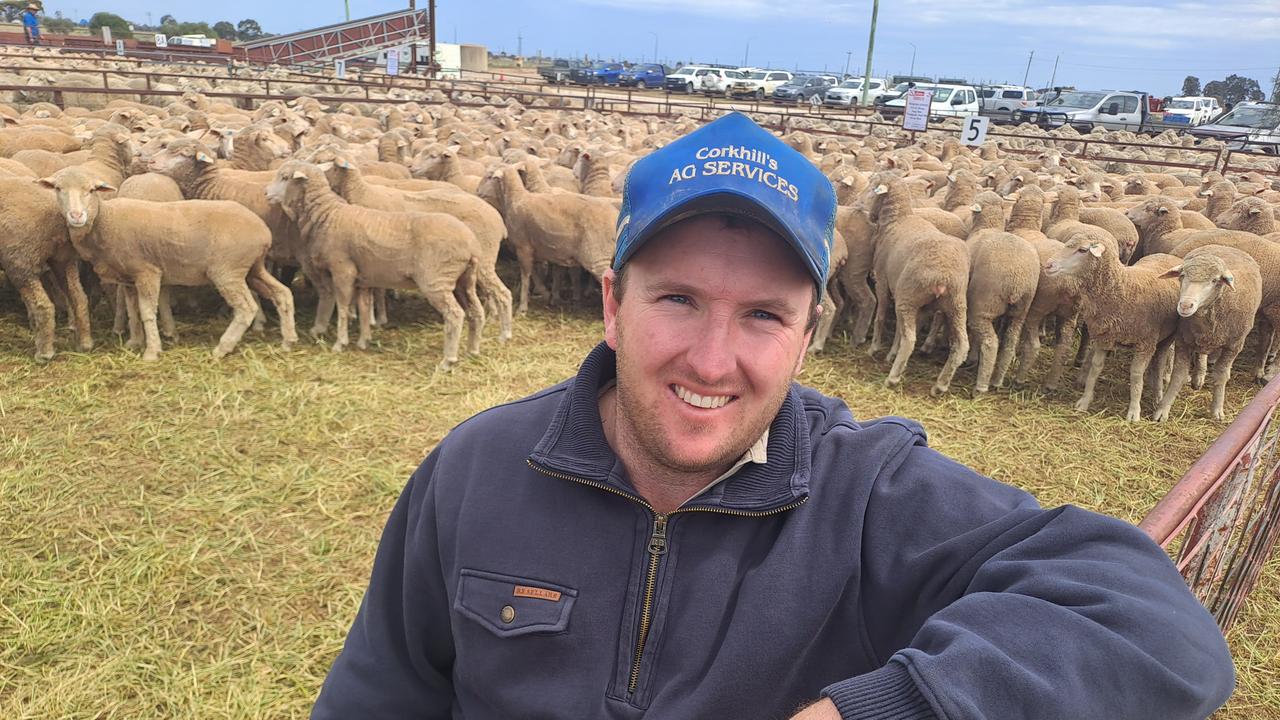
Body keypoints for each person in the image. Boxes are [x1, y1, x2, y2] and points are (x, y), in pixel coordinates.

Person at [311, 112, 1234, 719]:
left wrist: (891, 707)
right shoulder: (481, 467)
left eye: (761, 315)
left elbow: (1155, 626)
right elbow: (379, 692)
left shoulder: (869, 492)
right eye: (676, 300)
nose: (712, 361)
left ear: (808, 335)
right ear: (610, 305)